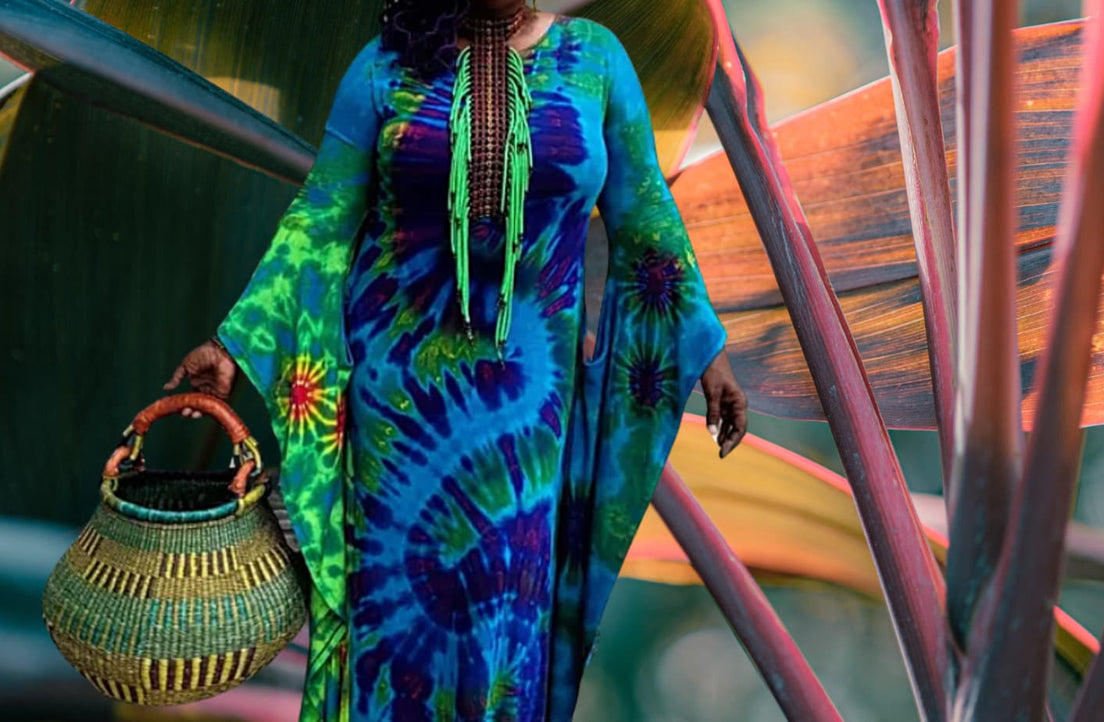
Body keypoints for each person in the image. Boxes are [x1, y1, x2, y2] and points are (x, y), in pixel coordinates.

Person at [165, 1, 747, 719]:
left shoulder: (595, 61)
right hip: (398, 417)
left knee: (505, 623)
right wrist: (234, 342)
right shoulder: (387, 67)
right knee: (395, 618)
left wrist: (707, 350)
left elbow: (645, 215)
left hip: (528, 425)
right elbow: (320, 218)